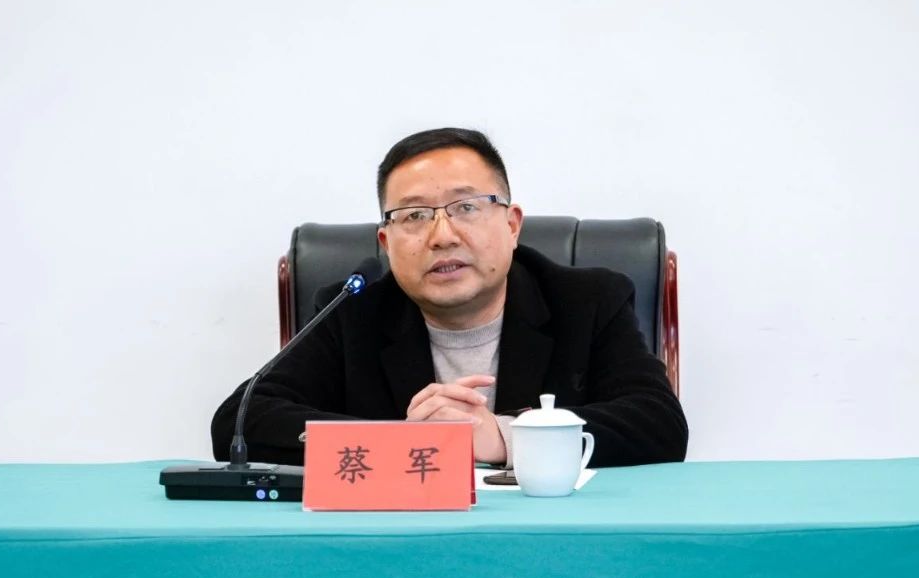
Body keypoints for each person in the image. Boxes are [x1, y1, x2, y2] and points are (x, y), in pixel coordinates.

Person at [211, 128, 687, 467]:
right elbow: (238, 422)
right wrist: (405, 444)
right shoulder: (352, 311)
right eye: (414, 216)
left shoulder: (588, 300)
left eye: (466, 207)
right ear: (386, 243)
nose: (442, 236)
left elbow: (659, 424)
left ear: (512, 225)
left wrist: (503, 437)